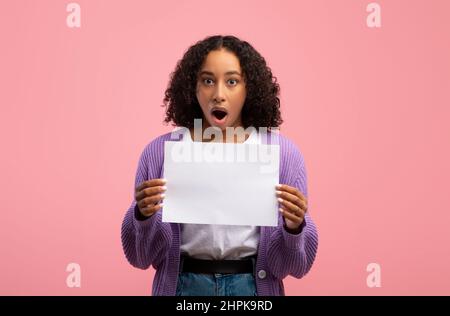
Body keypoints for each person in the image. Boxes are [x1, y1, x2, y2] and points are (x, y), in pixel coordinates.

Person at [121, 35, 318, 296]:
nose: (218, 95)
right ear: (193, 87)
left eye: (232, 81)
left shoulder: (283, 155)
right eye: (208, 81)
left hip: (252, 288)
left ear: (250, 89)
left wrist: (295, 228)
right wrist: (142, 217)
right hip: (183, 288)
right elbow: (140, 258)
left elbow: (297, 266)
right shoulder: (159, 153)